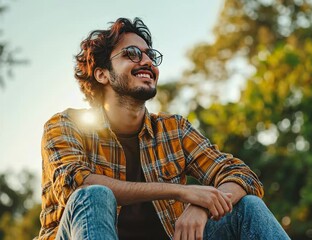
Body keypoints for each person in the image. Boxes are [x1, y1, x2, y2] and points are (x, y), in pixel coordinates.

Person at [37, 17, 290, 240]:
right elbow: (75, 185)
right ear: (102, 74)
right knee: (93, 196)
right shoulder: (65, 125)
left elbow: (242, 175)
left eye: (150, 55)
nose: (147, 61)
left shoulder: (174, 129)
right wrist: (183, 192)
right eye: (132, 53)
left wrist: (203, 205)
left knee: (247, 207)